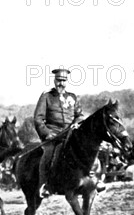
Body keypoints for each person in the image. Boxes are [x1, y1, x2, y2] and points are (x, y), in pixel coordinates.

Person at [34, 68, 103, 197]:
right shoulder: (47, 97)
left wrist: (77, 122)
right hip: (54, 135)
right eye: (59, 80)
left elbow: (79, 115)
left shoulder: (72, 97)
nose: (61, 83)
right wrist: (46, 133)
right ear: (54, 81)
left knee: (89, 150)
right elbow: (38, 118)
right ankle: (45, 185)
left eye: (64, 80)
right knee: (49, 154)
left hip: (71, 134)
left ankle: (94, 180)